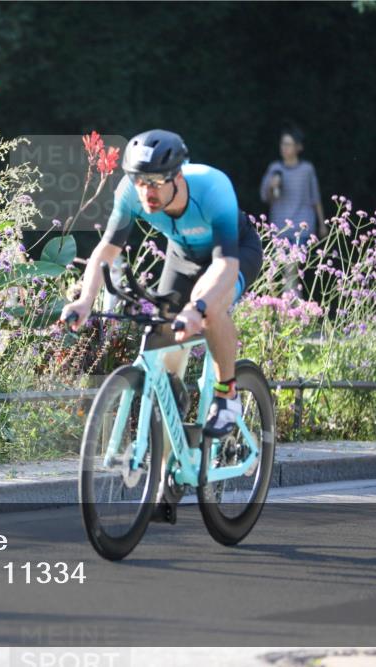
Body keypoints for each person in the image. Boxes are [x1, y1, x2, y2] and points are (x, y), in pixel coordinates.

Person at [60, 129, 263, 441]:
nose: (146, 192)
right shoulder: (129, 192)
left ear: (177, 177)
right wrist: (85, 300)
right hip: (182, 256)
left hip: (232, 253)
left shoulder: (212, 187)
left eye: (155, 182)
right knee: (158, 329)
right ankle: (172, 421)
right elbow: (106, 250)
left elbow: (225, 265)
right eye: (139, 181)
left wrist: (197, 308)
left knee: (209, 310)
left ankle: (227, 395)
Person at [260, 125, 326, 243]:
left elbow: (315, 198)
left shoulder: (307, 169)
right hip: (279, 230)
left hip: (303, 229)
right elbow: (265, 197)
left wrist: (322, 224)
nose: (284, 148)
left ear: (299, 147)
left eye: (288, 144)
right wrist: (271, 187)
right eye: (283, 144)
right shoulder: (274, 168)